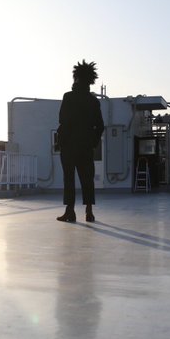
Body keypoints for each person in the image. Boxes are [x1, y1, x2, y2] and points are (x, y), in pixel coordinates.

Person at [56, 59, 105, 223]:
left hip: (69, 146)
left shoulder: (68, 97)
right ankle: (89, 212)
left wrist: (62, 140)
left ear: (76, 78)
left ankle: (70, 211)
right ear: (90, 80)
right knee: (87, 179)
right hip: (86, 147)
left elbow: (63, 120)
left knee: (69, 179)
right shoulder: (93, 101)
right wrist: (93, 142)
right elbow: (100, 126)